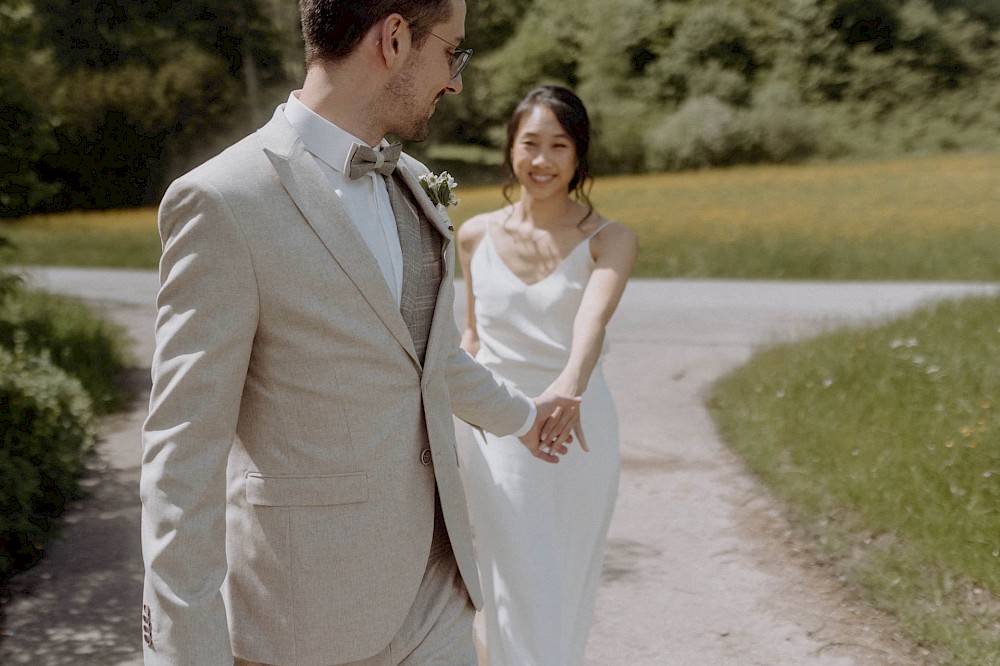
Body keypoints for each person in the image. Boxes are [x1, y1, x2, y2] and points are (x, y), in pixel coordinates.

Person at [138, 3, 584, 664]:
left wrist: (523, 415)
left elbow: (424, 357)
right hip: (306, 613)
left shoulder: (411, 186)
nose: (455, 79)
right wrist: (184, 653)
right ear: (395, 39)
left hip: (438, 593)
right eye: (450, 52)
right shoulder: (224, 202)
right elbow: (182, 458)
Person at [456, 86, 638, 665]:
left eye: (559, 145)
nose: (542, 160)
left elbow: (593, 319)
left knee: (566, 578)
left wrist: (569, 386)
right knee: (514, 575)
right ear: (510, 149)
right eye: (530, 144)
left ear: (579, 156)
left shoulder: (611, 239)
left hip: (578, 425)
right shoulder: (474, 235)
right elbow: (471, 337)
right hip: (497, 428)